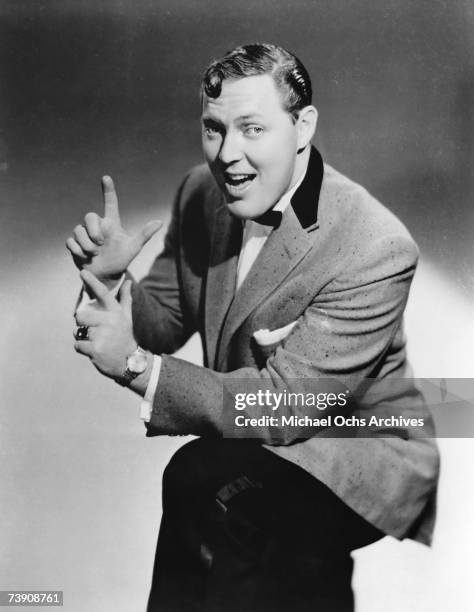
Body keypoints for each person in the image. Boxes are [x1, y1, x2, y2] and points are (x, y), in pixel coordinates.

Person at [66, 44, 439, 612]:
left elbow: (283, 409)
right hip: (262, 438)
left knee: (210, 485)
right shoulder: (200, 192)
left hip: (360, 441)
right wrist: (114, 282)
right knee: (230, 506)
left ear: (302, 126)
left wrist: (138, 369)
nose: (228, 155)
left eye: (252, 128)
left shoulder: (376, 245)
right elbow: (164, 320)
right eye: (214, 129)